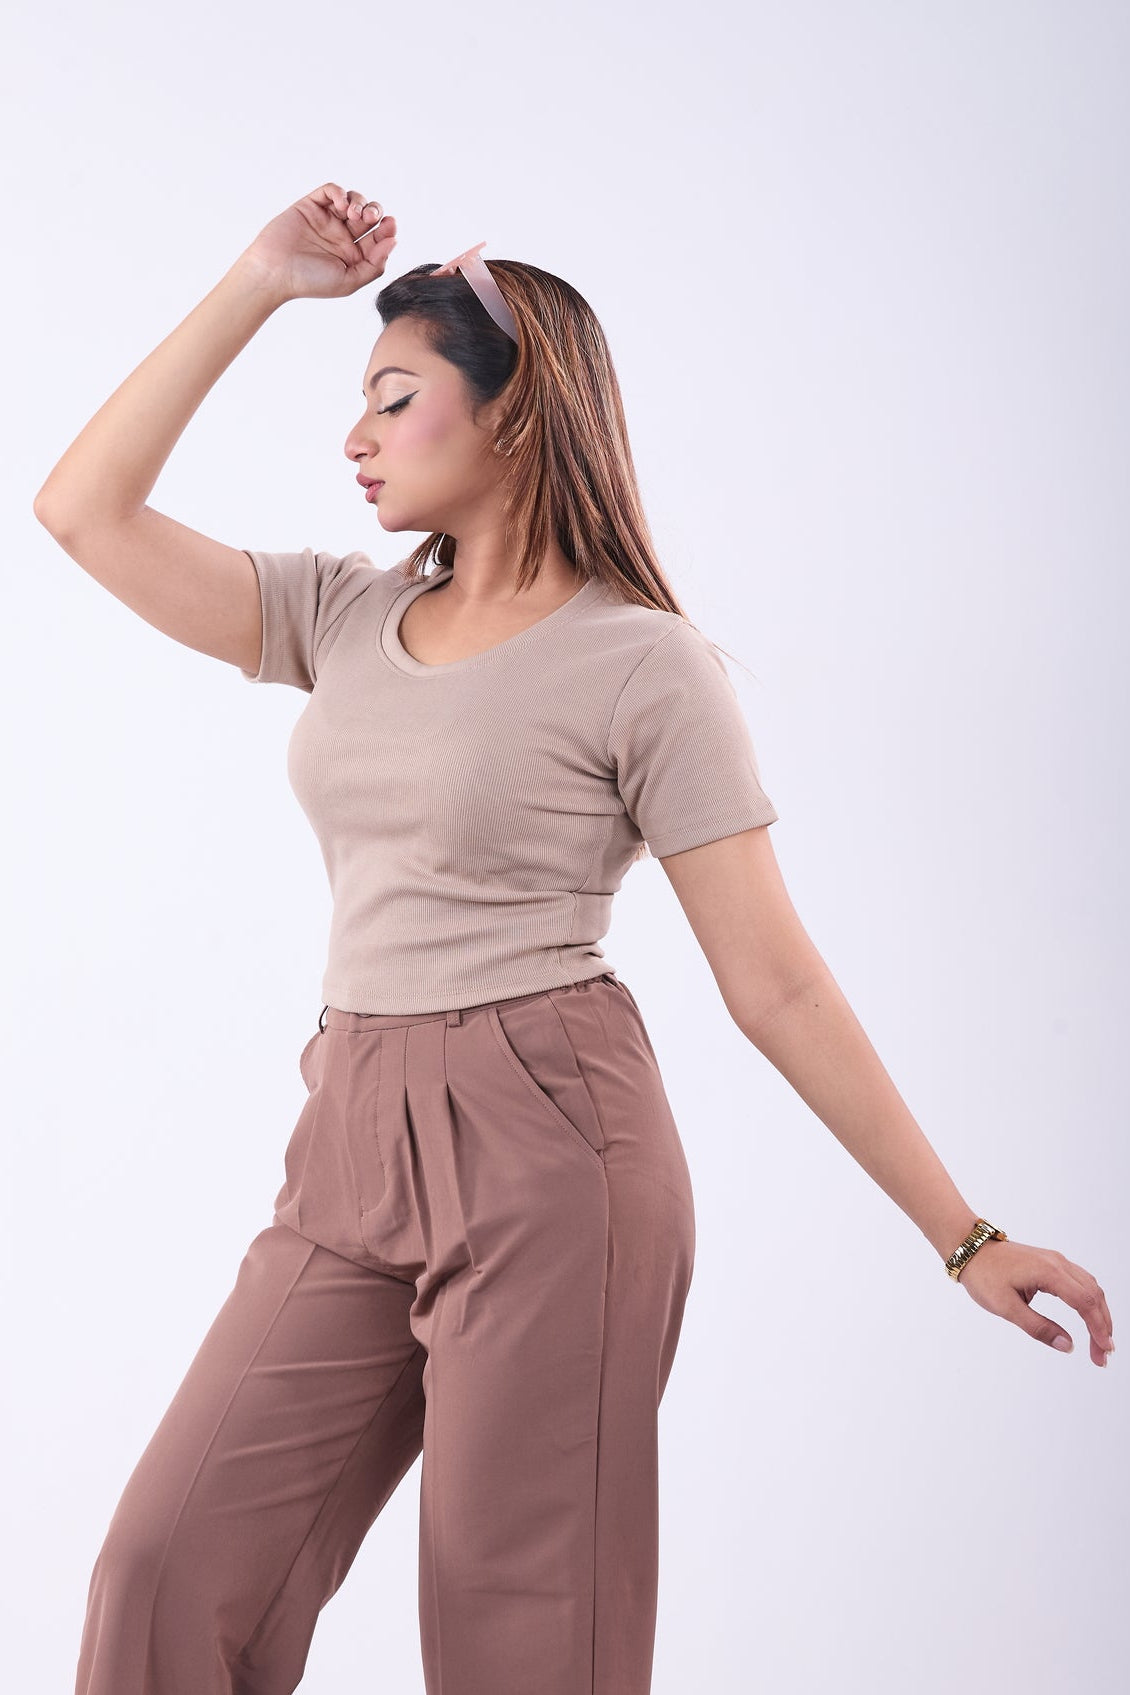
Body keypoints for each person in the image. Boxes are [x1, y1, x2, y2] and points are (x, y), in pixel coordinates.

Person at [34, 181, 1114, 1695]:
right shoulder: (341, 617)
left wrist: (966, 1236)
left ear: (514, 412)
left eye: (393, 398)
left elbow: (777, 981)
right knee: (165, 1570)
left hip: (549, 1142)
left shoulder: (643, 666)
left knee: (518, 1630)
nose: (354, 438)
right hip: (347, 1137)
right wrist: (259, 280)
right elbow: (82, 511)